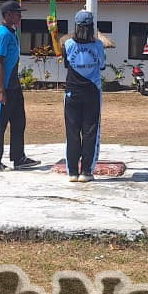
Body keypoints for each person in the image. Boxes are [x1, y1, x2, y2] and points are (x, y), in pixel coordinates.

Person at [0, 0, 39, 170]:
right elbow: (0, 61)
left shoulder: (13, 32)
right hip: (4, 86)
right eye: (17, 13)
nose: (20, 16)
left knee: (19, 122)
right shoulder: (2, 34)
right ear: (8, 15)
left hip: (15, 85)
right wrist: (1, 90)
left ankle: (19, 158)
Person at [62, 9, 106, 182]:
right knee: (90, 131)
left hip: (72, 92)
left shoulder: (67, 45)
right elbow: (101, 65)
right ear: (91, 26)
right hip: (92, 91)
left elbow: (67, 64)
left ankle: (72, 171)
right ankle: (86, 171)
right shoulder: (98, 45)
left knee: (72, 131)